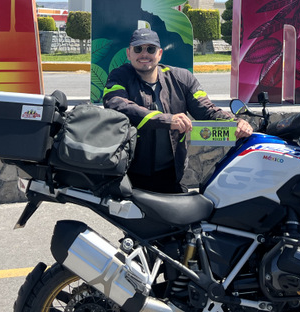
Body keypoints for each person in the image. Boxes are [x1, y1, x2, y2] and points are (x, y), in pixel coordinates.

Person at [103, 28, 253, 193]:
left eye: (150, 49)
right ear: (128, 53)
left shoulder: (182, 78)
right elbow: (118, 105)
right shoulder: (119, 76)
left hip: (172, 175)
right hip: (131, 176)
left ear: (160, 54)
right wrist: (167, 120)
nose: (144, 54)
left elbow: (206, 110)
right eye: (138, 49)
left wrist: (235, 122)